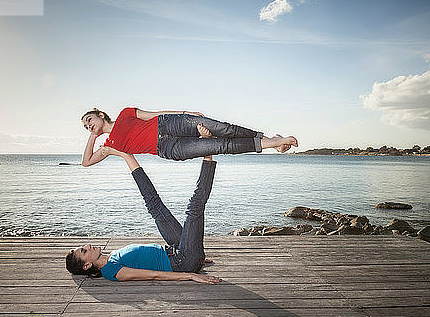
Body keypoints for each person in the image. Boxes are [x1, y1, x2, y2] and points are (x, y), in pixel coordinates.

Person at [66, 125, 222, 284]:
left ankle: (126, 155)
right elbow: (153, 275)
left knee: (154, 205)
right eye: (84, 251)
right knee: (194, 207)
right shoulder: (111, 271)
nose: (88, 245)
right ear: (87, 265)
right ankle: (207, 150)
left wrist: (193, 249)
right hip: (183, 261)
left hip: (179, 251)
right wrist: (191, 274)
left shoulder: (111, 257)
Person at [80, 107, 298, 167]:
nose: (88, 125)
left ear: (100, 115)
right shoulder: (109, 145)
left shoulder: (125, 113)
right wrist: (92, 137)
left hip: (169, 123)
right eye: (85, 126)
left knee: (224, 128)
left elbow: (155, 114)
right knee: (220, 146)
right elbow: (86, 162)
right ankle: (273, 143)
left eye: (89, 120)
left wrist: (185, 112)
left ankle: (271, 140)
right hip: (167, 148)